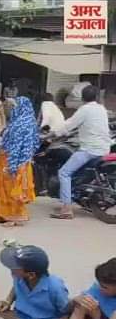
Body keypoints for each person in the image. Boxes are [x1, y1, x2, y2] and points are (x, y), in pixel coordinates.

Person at [51, 85, 111, 219]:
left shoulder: (84, 110)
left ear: (82, 98)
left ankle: (66, 209)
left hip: (90, 149)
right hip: (104, 148)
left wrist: (53, 133)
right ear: (96, 97)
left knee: (64, 172)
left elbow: (69, 124)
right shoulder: (101, 109)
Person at [0, 96, 41, 226]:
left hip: (12, 160)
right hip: (21, 161)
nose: (11, 109)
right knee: (12, 188)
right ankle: (6, 215)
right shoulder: (29, 122)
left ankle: (13, 217)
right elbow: (35, 144)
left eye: (14, 107)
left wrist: (12, 165)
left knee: (10, 189)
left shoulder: (19, 125)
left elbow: (16, 147)